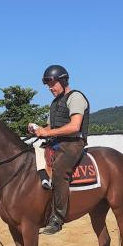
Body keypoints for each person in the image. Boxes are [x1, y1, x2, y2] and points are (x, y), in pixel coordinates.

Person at [33, 65, 90, 235]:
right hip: (57, 141)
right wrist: (39, 130)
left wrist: (48, 132)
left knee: (59, 170)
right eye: (48, 85)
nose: (50, 88)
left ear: (63, 81)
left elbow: (74, 126)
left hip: (73, 143)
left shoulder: (76, 97)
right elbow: (52, 126)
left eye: (52, 84)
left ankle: (58, 218)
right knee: (32, 152)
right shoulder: (55, 102)